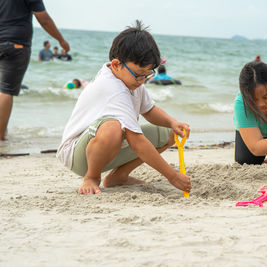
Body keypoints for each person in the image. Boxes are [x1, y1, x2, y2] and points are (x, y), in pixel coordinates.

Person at [56, 21, 191, 195]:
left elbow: (148, 110)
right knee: (112, 127)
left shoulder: (131, 81)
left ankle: (118, 177)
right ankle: (91, 177)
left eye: (147, 75)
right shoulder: (112, 88)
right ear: (116, 64)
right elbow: (137, 142)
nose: (142, 81)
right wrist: (172, 176)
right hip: (77, 155)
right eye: (138, 75)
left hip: (108, 148)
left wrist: (173, 122)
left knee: (171, 133)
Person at [0, 0, 69, 141]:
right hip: (16, 44)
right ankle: (0, 136)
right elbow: (43, 19)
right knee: (6, 90)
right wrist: (61, 40)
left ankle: (3, 131)